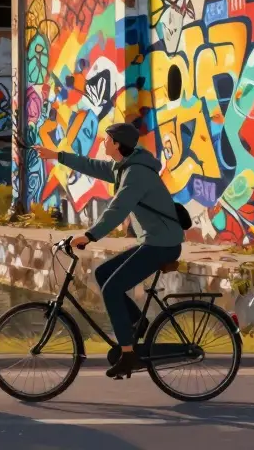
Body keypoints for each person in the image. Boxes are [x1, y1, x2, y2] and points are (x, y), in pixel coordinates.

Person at [55, 122, 185, 379]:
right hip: (154, 241)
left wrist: (90, 235)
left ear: (116, 144)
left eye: (106, 139)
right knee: (103, 273)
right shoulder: (125, 167)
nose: (103, 143)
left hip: (162, 244)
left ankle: (128, 355)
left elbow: (118, 208)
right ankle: (137, 322)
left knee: (112, 288)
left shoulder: (136, 173)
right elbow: (92, 166)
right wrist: (57, 156)